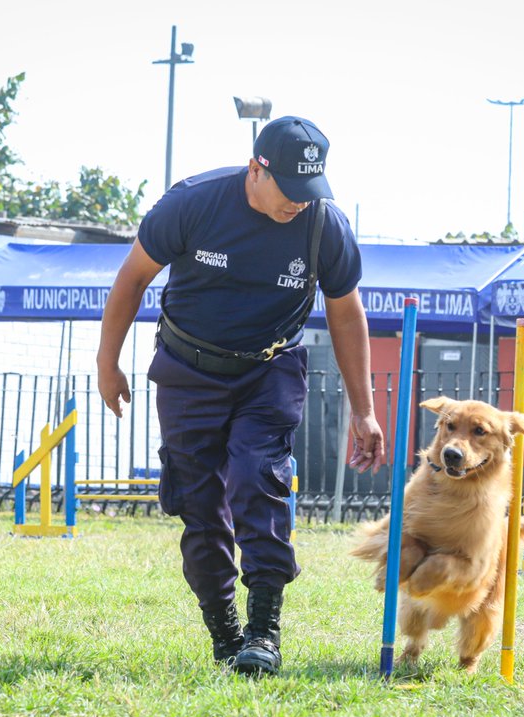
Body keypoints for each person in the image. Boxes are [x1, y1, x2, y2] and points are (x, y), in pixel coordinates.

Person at [96, 116, 385, 675]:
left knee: (258, 476)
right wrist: (108, 363)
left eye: (310, 189)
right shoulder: (192, 203)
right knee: (199, 504)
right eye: (290, 189)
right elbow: (132, 278)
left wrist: (364, 410)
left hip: (268, 371)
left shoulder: (324, 225)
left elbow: (347, 315)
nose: (300, 202)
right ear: (257, 169)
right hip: (188, 369)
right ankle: (225, 633)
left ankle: (264, 632)